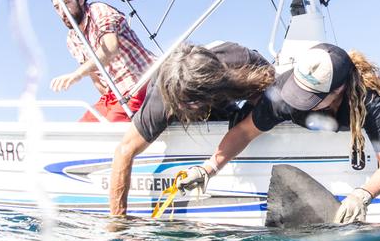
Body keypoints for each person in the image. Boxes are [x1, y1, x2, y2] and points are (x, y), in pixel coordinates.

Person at [182, 43, 380, 224]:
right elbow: (244, 132)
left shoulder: (372, 104)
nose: (301, 101)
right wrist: (207, 169)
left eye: (311, 97)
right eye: (299, 92)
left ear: (338, 90)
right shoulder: (284, 93)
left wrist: (363, 195)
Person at [109, 41, 274, 216]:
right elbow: (124, 151)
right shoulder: (162, 103)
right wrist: (119, 219)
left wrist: (248, 122)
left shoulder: (241, 61)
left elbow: (274, 87)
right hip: (173, 102)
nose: (185, 106)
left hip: (223, 94)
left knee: (261, 108)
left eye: (191, 102)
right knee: (179, 110)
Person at [48, 0, 155, 122]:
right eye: (57, 7)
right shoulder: (72, 39)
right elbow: (95, 78)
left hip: (140, 82)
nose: (62, 11)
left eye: (66, 3)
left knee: (111, 125)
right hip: (115, 93)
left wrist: (77, 75)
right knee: (80, 130)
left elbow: (111, 48)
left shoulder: (98, 11)